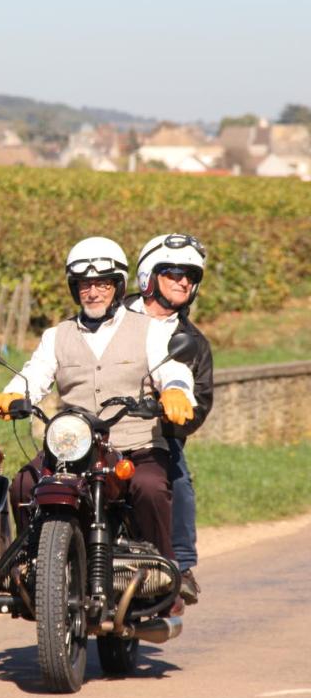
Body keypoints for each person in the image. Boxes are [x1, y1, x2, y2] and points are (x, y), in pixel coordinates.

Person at [0, 236, 197, 609]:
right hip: (75, 446)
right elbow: (35, 374)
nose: (94, 292)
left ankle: (164, 575)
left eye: (103, 283)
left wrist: (176, 391)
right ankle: (35, 565)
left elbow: (173, 369)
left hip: (135, 442)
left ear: (118, 286)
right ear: (75, 288)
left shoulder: (148, 330)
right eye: (85, 284)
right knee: (23, 484)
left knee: (149, 487)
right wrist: (13, 393)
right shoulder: (58, 336)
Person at [125, 233, 213, 604]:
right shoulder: (113, 317)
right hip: (96, 425)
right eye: (173, 272)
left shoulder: (191, 341)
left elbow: (201, 403)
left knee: (176, 473)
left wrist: (174, 411)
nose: (183, 281)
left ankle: (181, 564)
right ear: (150, 274)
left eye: (190, 276)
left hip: (155, 432)